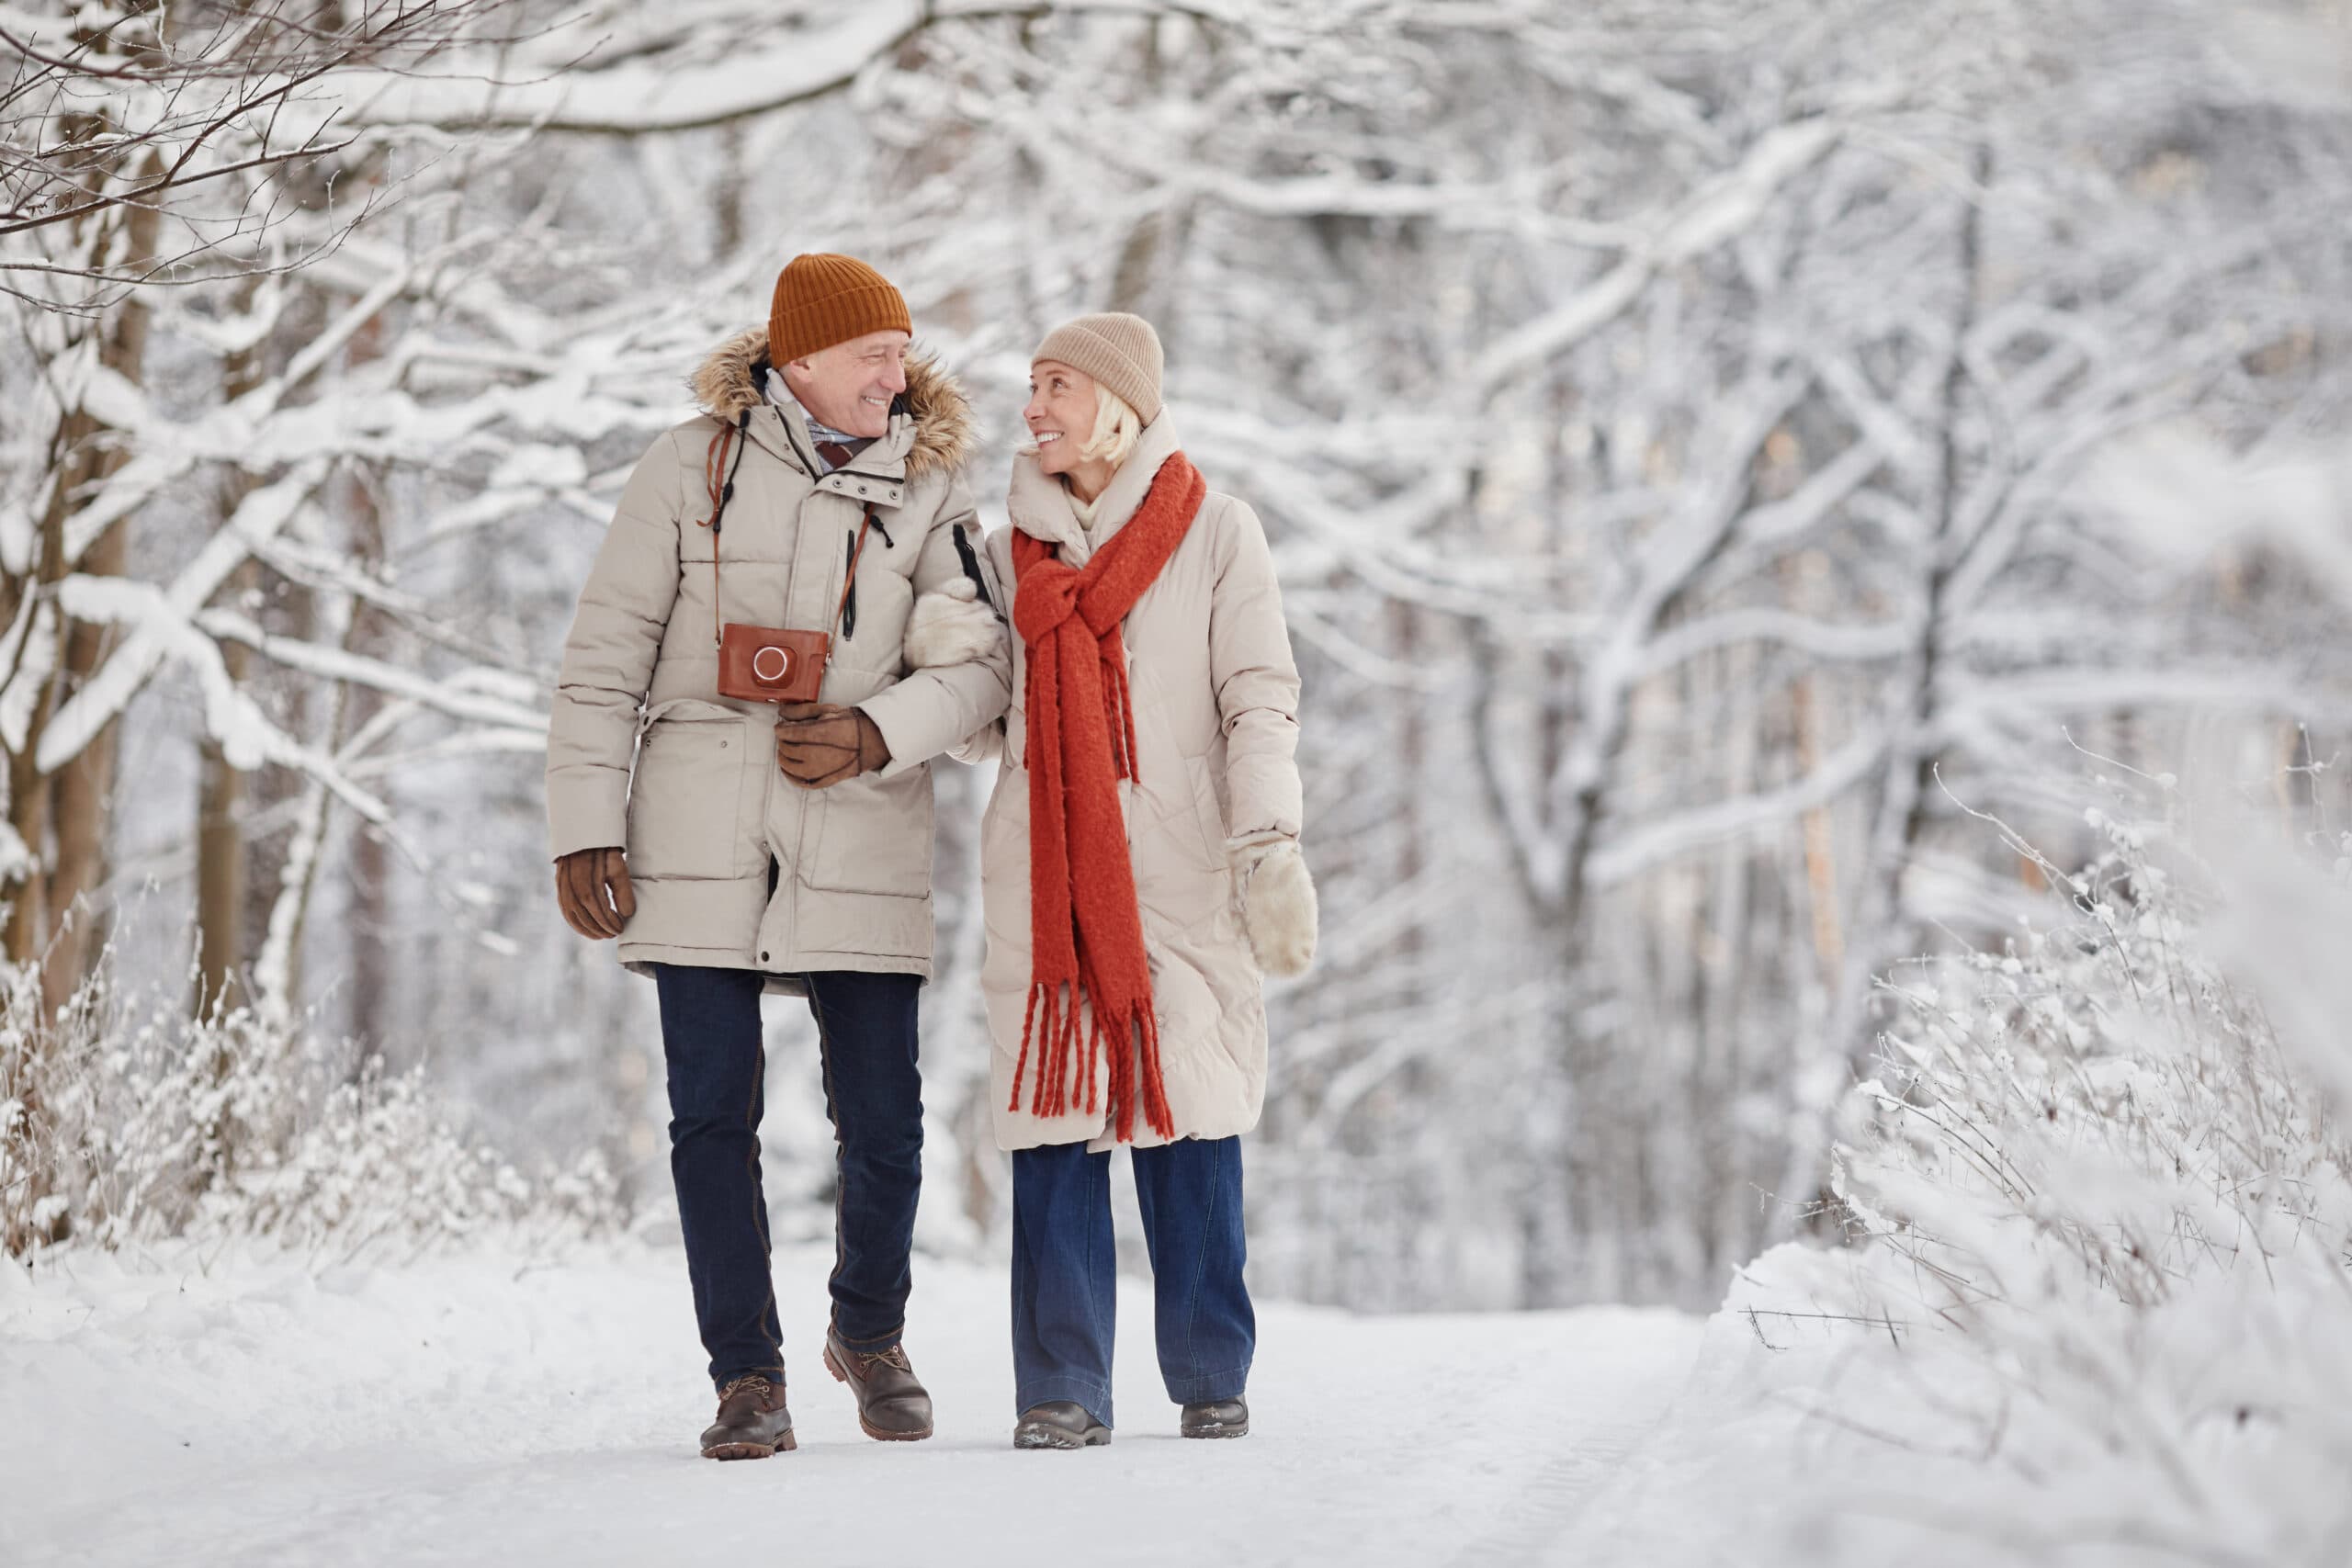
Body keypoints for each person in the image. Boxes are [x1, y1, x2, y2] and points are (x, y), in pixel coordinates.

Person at [545, 254, 1011, 1460]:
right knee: (710, 1115)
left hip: (860, 823)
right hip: (695, 827)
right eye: (872, 354)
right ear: (796, 360)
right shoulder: (683, 470)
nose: (893, 375)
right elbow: (603, 662)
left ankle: (869, 1327)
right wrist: (584, 825)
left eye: (902, 354)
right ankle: (746, 1374)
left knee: (887, 1117)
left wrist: (873, 730)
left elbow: (977, 666)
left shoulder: (934, 486)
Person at [904, 311, 1317, 1449]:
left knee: (1189, 1110)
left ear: (1119, 405)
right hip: (1044, 871)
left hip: (1182, 864)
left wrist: (1267, 840)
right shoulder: (1001, 557)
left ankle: (1208, 1371)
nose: (1032, 407)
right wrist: (938, 631)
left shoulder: (1218, 531)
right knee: (1052, 1120)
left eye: (1055, 387)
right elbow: (980, 719)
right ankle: (1061, 1389)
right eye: (1031, 387)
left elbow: (1257, 695)